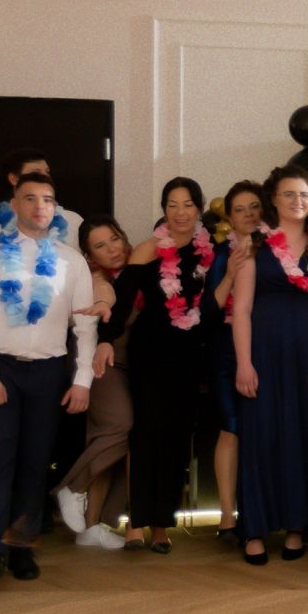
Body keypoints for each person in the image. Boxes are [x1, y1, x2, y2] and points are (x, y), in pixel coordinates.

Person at [0, 172, 96, 585]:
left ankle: (21, 545)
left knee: (35, 462)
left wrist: (83, 379)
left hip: (50, 370)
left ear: (56, 208)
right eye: (30, 198)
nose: (40, 206)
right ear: (14, 204)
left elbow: (85, 325)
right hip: (1, 368)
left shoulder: (72, 261)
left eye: (47, 199)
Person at [233, 166, 308, 564]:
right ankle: (255, 529)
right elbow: (241, 310)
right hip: (263, 352)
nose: (298, 201)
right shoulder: (254, 244)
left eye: (305, 195)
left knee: (305, 434)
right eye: (290, 194)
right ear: (274, 199)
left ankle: (297, 526)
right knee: (262, 435)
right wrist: (244, 363)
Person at [102, 177, 213, 554]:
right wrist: (105, 338)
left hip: (188, 353)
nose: (180, 213)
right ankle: (135, 523)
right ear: (164, 209)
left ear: (198, 209)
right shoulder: (149, 248)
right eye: (172, 205)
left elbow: (211, 304)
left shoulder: (207, 251)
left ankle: (162, 525)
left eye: (187, 205)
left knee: (176, 438)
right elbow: (122, 301)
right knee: (145, 434)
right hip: (150, 351)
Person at [57, 216, 136, 549]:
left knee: (110, 442)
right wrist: (103, 302)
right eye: (101, 246)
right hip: (101, 363)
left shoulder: (138, 268)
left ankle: (94, 526)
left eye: (114, 239)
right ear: (90, 256)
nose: (112, 249)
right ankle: (72, 487)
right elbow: (104, 295)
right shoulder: (94, 279)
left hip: (133, 366)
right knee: (119, 427)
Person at [205, 182, 262, 542]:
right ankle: (227, 514)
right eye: (239, 209)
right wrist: (228, 272)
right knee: (231, 426)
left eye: (254, 206)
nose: (248, 214)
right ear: (228, 216)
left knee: (261, 427)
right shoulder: (221, 252)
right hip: (226, 347)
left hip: (267, 347)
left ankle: (258, 509)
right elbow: (209, 309)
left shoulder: (275, 249)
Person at [0, 149, 84, 260]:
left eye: (47, 172)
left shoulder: (73, 221)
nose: (45, 177)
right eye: (35, 173)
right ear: (13, 179)